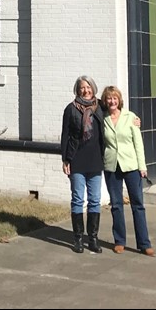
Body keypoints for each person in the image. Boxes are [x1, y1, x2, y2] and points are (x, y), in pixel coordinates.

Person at [100, 85, 154, 256]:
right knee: (116, 205)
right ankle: (119, 241)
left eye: (114, 98)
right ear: (105, 101)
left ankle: (144, 243)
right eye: (109, 98)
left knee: (138, 204)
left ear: (119, 100)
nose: (112, 101)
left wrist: (142, 166)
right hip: (111, 166)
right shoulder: (103, 119)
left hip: (131, 166)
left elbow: (138, 143)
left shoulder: (130, 117)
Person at [60, 75, 105, 254]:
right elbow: (65, 135)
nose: (85, 90)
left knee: (95, 200)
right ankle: (78, 238)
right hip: (76, 158)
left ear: (93, 88)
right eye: (82, 88)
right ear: (77, 90)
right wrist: (65, 159)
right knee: (78, 199)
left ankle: (92, 239)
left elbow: (118, 112)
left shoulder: (100, 106)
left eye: (88, 87)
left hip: (95, 159)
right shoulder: (70, 109)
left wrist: (134, 121)